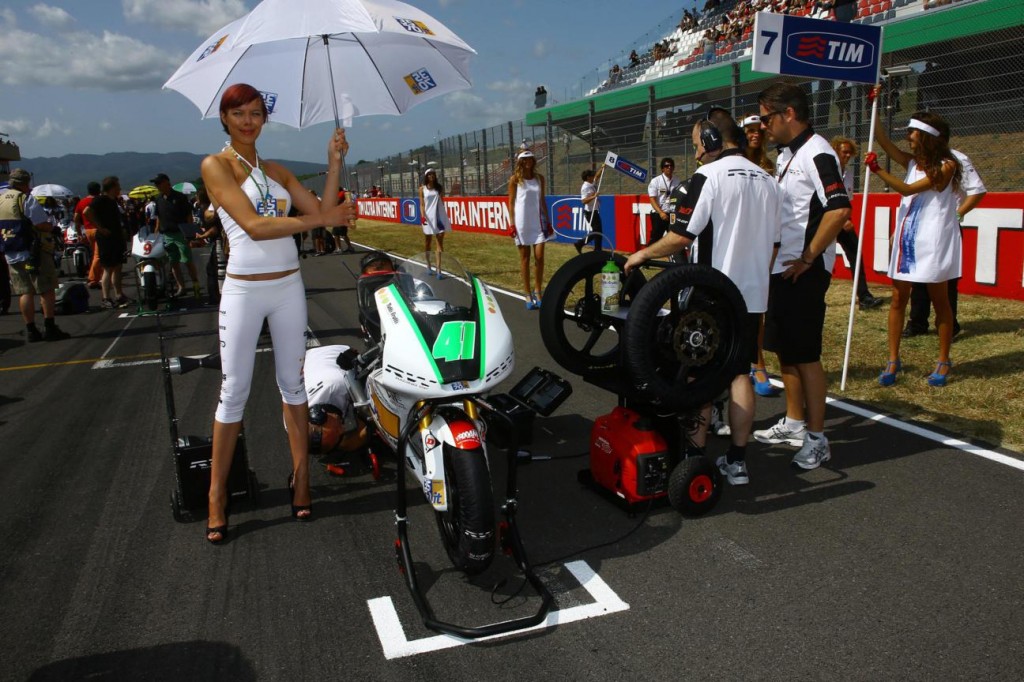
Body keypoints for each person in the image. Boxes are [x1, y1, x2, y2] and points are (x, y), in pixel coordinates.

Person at [200, 83, 355, 544]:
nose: (248, 120)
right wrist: (322, 221)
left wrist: (333, 164)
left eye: (255, 112)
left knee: (293, 385)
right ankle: (216, 495)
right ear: (225, 119)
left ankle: (302, 478)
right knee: (234, 392)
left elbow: (323, 210)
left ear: (264, 119)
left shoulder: (277, 171)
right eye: (238, 113)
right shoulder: (216, 166)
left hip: (288, 287)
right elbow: (255, 225)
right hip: (244, 292)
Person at [625, 114, 783, 486]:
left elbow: (681, 236)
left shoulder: (708, 177)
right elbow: (775, 246)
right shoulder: (768, 180)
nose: (696, 153)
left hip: (710, 293)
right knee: (740, 372)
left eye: (698, 144)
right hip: (752, 296)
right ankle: (738, 461)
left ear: (712, 138)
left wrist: (644, 254)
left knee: (697, 374)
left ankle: (694, 460)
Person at [752, 83, 852, 470]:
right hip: (782, 268)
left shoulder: (818, 152)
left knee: (806, 355)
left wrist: (809, 258)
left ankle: (817, 437)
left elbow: (839, 209)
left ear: (788, 114)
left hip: (804, 271)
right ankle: (794, 421)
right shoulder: (786, 156)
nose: (762, 126)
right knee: (786, 352)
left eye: (766, 118)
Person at [866, 104, 961, 388]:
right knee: (897, 299)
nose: (908, 136)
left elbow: (907, 190)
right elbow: (882, 140)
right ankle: (893, 359)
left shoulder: (948, 165)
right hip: (906, 239)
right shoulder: (911, 163)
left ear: (927, 136)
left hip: (932, 241)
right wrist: (875, 105)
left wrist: (878, 170)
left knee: (940, 300)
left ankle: (943, 360)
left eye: (913, 132)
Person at [904, 143, 986, 339]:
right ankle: (917, 322)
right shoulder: (919, 159)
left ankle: (950, 325)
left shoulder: (956, 159)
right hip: (921, 224)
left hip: (945, 225)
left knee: (946, 278)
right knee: (918, 275)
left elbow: (978, 190)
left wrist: (958, 214)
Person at [0, 168, 71, 341]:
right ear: (25, 184)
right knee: (46, 289)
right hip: (33, 251)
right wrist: (52, 228)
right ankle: (49, 326)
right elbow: (41, 224)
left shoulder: (1, 200)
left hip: (11, 250)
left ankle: (31, 329)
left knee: (25, 292)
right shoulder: (25, 199)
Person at [740, 113, 782, 398]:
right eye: (750, 130)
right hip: (736, 239)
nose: (755, 135)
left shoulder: (771, 165)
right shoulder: (734, 163)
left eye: (759, 130)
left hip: (763, 240)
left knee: (758, 308)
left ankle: (758, 363)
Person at [831, 136, 883, 310]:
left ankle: (864, 296)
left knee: (855, 253)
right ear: (836, 150)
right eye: (844, 152)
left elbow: (848, 199)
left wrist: (847, 217)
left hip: (843, 218)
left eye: (849, 153)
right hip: (827, 218)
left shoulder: (849, 173)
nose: (847, 156)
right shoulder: (828, 169)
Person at [507, 149, 550, 310]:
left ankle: (538, 290)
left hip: (538, 223)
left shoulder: (540, 179)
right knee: (525, 258)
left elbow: (542, 201)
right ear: (520, 162)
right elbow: (511, 203)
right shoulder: (515, 180)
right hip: (521, 223)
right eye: (524, 159)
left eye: (530, 159)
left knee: (539, 257)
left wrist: (548, 221)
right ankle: (527, 293)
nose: (528, 162)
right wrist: (511, 224)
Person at [84, 176, 130, 309]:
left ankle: (119, 294)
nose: (119, 189)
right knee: (108, 268)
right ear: (111, 188)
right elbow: (87, 212)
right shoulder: (100, 199)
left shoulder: (112, 201)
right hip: (106, 239)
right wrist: (100, 228)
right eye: (117, 187)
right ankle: (106, 297)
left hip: (116, 237)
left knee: (118, 266)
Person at [152, 173, 200, 299]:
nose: (157, 186)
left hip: (180, 233)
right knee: (173, 263)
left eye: (158, 183)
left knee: (187, 261)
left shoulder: (180, 197)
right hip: (166, 234)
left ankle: (195, 285)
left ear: (166, 183)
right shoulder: (158, 199)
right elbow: (159, 217)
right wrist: (156, 232)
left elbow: (188, 216)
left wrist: (189, 234)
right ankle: (181, 287)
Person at [419, 168, 449, 277]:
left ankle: (439, 269)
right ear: (426, 176)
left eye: (433, 174)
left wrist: (443, 215)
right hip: (427, 218)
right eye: (429, 174)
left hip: (439, 217)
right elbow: (422, 204)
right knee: (427, 242)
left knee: (439, 243)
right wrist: (422, 217)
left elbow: (442, 202)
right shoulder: (422, 189)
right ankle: (428, 265)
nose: (431, 176)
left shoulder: (439, 188)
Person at [647, 157, 680, 246]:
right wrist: (661, 213)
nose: (669, 167)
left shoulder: (677, 180)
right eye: (666, 166)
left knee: (674, 238)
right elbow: (652, 199)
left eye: (671, 165)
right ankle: (646, 258)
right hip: (658, 214)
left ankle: (673, 259)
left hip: (672, 214)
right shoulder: (655, 181)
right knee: (656, 239)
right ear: (662, 168)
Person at [74, 181, 101, 289]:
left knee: (94, 253)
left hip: (87, 230)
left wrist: (79, 233)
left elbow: (76, 219)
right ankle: (92, 278)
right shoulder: (99, 201)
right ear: (98, 190)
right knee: (98, 255)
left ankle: (99, 275)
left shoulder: (81, 202)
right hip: (98, 229)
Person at [575, 166, 605, 253]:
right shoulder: (585, 187)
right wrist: (594, 196)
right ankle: (580, 243)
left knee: (598, 231)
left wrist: (603, 168)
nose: (594, 177)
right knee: (597, 232)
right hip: (590, 212)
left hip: (594, 211)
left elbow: (597, 176)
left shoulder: (591, 183)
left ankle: (597, 249)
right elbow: (584, 201)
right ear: (588, 177)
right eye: (592, 175)